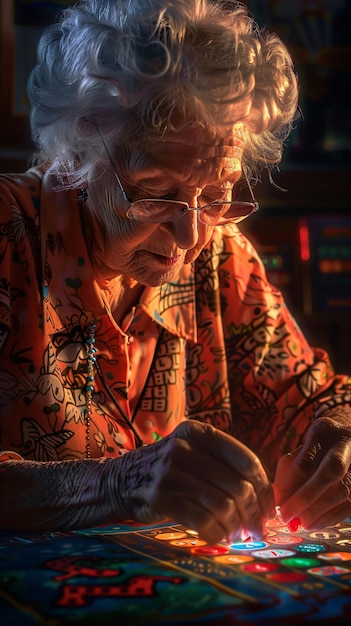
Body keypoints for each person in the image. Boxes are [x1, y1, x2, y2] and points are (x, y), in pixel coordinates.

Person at [0, 0, 350, 543]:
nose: (190, 237)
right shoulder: (8, 238)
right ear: (78, 154)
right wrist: (115, 484)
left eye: (217, 194)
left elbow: (315, 401)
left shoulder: (219, 257)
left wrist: (342, 443)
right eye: (157, 193)